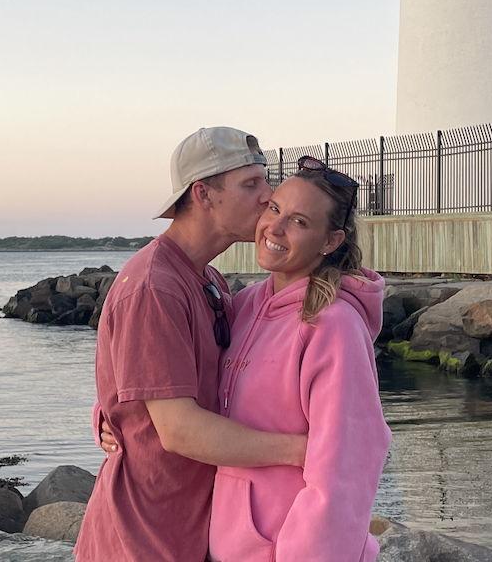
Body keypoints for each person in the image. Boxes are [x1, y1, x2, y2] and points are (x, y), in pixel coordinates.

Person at [74, 127, 308, 562]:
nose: (267, 196)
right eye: (251, 183)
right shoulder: (154, 287)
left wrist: (114, 408)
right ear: (203, 194)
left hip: (193, 529)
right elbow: (179, 430)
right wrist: (306, 451)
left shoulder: (208, 281)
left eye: (266, 180)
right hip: (144, 538)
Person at [207, 156, 391, 562]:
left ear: (330, 242)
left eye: (300, 221)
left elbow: (344, 470)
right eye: (274, 208)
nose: (274, 227)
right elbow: (183, 374)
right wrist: (119, 414)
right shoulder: (245, 305)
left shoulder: (334, 327)